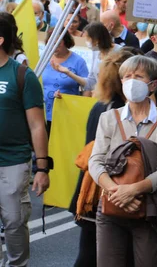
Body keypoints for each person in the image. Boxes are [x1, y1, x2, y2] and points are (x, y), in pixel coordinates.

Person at [88, 55, 157, 267]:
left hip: (149, 209)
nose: (131, 80)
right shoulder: (109, 117)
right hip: (111, 206)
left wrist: (133, 191)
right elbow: (96, 161)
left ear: (153, 84)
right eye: (127, 76)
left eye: (138, 76)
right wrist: (117, 192)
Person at [68, 48, 138, 267]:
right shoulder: (124, 111)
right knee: (114, 255)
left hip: (91, 190)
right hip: (111, 194)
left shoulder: (99, 106)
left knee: (89, 251)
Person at [0, 14, 50, 266]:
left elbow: (37, 124)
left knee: (14, 222)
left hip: (13, 162)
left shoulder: (22, 75)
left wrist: (42, 167)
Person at [45, 31, 89, 132]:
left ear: (66, 42)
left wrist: (81, 108)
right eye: (51, 42)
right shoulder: (44, 58)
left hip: (67, 113)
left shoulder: (78, 61)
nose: (54, 46)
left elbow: (88, 86)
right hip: (44, 112)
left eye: (58, 43)